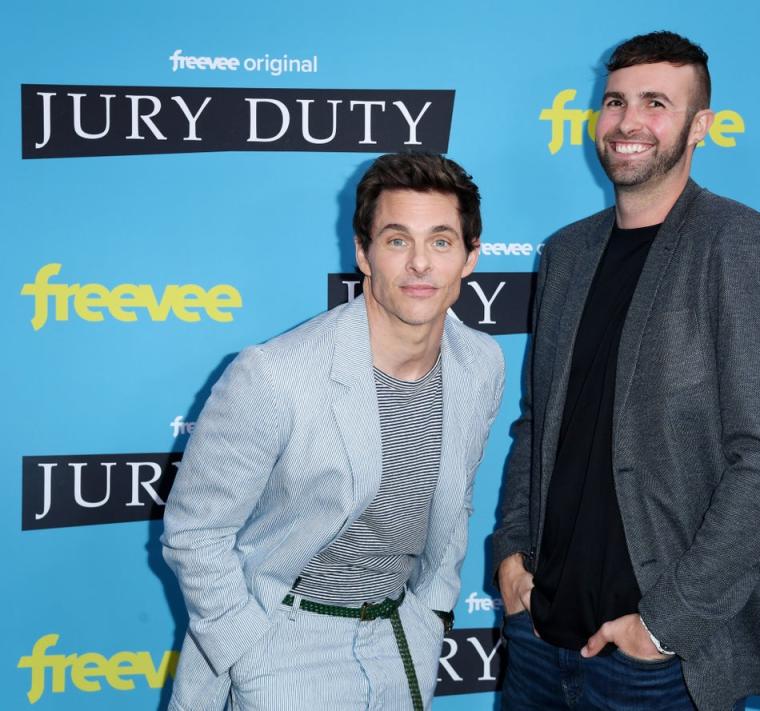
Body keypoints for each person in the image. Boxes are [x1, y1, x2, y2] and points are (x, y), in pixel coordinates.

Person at [492, 31, 760, 711]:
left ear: (701, 127)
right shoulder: (566, 252)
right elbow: (536, 422)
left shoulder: (736, 243)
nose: (628, 123)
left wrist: (666, 623)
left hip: (656, 667)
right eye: (615, 102)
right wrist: (511, 551)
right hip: (539, 645)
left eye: (655, 103)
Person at [162, 151, 504, 711]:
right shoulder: (275, 375)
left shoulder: (480, 362)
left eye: (440, 241)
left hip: (400, 639)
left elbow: (454, 500)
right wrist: (248, 650)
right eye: (397, 240)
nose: (420, 263)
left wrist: (431, 617)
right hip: (282, 641)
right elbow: (194, 532)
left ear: (470, 258)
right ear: (363, 254)